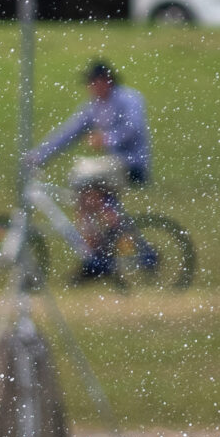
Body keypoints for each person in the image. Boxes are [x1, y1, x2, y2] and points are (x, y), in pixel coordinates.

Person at [30, 61, 153, 279]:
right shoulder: (94, 107)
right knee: (83, 197)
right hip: (114, 164)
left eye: (92, 82)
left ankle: (105, 246)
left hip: (132, 162)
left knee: (81, 176)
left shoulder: (129, 99)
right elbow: (67, 133)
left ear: (105, 81)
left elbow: (134, 128)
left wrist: (107, 137)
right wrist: (40, 154)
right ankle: (95, 254)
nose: (90, 88)